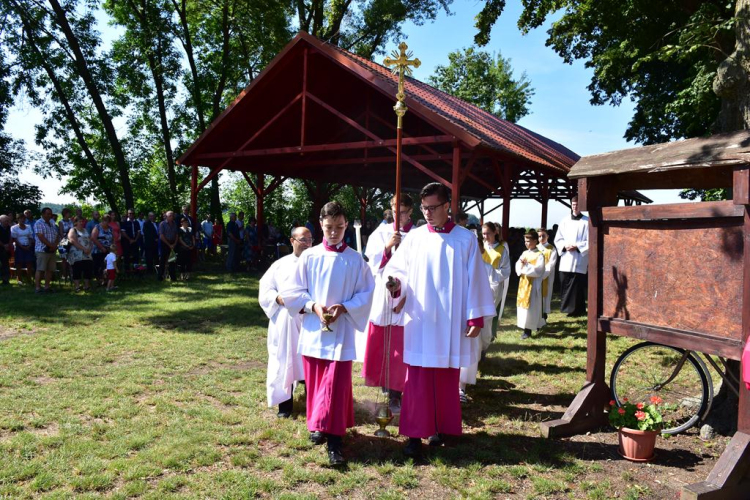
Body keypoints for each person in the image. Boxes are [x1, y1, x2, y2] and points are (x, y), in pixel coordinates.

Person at [383, 183, 495, 458]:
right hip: (421, 321)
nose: (428, 213)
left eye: (433, 208)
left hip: (450, 321)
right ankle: (413, 435)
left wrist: (476, 315)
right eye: (424, 208)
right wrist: (395, 285)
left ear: (448, 206)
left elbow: (476, 280)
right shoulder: (416, 237)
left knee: (446, 378)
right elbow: (397, 271)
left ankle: (442, 428)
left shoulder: (465, 239)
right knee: (418, 381)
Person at [281, 201, 375, 466]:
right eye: (329, 227)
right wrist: (314, 307)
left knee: (335, 384)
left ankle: (335, 442)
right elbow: (292, 292)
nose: (334, 232)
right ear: (320, 225)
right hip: (313, 329)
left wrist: (345, 307)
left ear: (346, 225)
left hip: (341, 332)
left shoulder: (356, 259)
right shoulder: (309, 257)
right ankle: (319, 425)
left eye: (340, 227)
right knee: (316, 384)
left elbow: (367, 294)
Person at [362, 195, 415, 415]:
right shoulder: (381, 232)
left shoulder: (417, 235)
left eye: (402, 212)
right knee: (383, 343)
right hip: (383, 296)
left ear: (411, 211)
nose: (398, 216)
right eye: (395, 211)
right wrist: (387, 247)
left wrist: (405, 296)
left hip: (407, 296)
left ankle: (397, 392)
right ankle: (385, 382)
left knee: (400, 349)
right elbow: (371, 263)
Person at [259, 226, 312, 418]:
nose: (307, 244)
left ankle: (313, 403)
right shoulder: (280, 265)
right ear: (292, 241)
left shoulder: (316, 263)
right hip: (285, 321)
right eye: (302, 240)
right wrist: (278, 299)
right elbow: (266, 288)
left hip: (309, 319)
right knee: (284, 360)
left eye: (310, 240)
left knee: (310, 360)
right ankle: (285, 405)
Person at [459, 222, 509, 402]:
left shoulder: (487, 266)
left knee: (474, 346)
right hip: (457, 313)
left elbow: (491, 286)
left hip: (477, 311)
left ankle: (461, 386)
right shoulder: (459, 265)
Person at [554, 196, 589, 317]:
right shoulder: (564, 221)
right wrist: (564, 246)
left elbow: (590, 240)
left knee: (578, 286)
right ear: (571, 205)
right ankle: (568, 309)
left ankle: (578, 310)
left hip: (579, 258)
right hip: (566, 258)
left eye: (577, 205)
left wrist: (578, 246)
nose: (575, 207)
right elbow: (558, 238)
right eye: (573, 205)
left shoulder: (587, 221)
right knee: (565, 283)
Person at [516, 230, 547, 339]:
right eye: (525, 241)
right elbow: (518, 265)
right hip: (524, 283)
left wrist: (526, 266)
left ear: (535, 241)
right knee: (523, 308)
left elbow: (539, 270)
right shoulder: (525, 253)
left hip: (533, 285)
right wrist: (521, 266)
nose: (526, 243)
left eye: (528, 241)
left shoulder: (539, 255)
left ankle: (528, 330)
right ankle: (524, 326)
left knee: (531, 308)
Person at [34, 207, 60, 294]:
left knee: (50, 270)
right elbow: (41, 237)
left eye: (51, 214)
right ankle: (38, 288)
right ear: (43, 214)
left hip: (52, 250)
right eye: (48, 213)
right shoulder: (38, 223)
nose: (50, 215)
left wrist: (55, 245)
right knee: (40, 269)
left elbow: (56, 235)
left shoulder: (52, 222)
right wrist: (51, 245)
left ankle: (47, 287)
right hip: (42, 250)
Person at [67, 216, 93, 292]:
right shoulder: (73, 230)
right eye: (80, 221)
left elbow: (90, 240)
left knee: (88, 268)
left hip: (87, 253)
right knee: (77, 269)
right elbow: (72, 240)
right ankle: (77, 286)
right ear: (75, 222)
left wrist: (90, 248)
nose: (81, 223)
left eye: (82, 221)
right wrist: (83, 249)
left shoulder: (85, 230)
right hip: (77, 253)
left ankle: (86, 286)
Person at [537, 228, 558, 321]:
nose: (541, 238)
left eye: (543, 236)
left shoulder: (552, 248)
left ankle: (544, 313)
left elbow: (551, 264)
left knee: (546, 294)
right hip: (535, 276)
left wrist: (543, 275)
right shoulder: (535, 247)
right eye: (539, 236)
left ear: (547, 236)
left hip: (547, 276)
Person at [11, 213, 34, 284]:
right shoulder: (14, 228)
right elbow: (15, 239)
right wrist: (22, 247)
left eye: (24, 218)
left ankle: (29, 278)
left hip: (28, 245)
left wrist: (29, 245)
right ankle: (19, 279)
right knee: (19, 263)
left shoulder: (28, 226)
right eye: (20, 218)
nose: (22, 220)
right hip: (19, 246)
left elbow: (30, 237)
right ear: (17, 219)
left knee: (29, 262)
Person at [91, 215, 114, 286]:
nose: (106, 223)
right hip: (97, 250)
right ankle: (99, 280)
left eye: (108, 221)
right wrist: (101, 247)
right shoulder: (97, 227)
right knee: (98, 266)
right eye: (105, 221)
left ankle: (105, 280)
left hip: (108, 250)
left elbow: (112, 239)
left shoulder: (110, 228)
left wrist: (113, 249)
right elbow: (93, 238)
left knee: (106, 266)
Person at [158, 211, 178, 281]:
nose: (171, 217)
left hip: (172, 243)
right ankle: (160, 277)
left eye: (172, 215)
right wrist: (169, 244)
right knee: (162, 261)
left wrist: (174, 244)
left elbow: (176, 235)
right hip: (165, 243)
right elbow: (161, 236)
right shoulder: (162, 224)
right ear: (166, 216)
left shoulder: (175, 224)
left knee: (172, 261)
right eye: (170, 215)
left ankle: (173, 277)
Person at [121, 209, 141, 273]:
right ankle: (127, 271)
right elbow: (123, 232)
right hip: (127, 242)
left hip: (135, 241)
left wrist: (135, 240)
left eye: (132, 213)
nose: (131, 215)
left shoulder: (136, 222)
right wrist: (130, 239)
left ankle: (136, 270)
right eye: (130, 213)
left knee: (136, 256)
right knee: (127, 256)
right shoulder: (124, 222)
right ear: (127, 214)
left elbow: (138, 232)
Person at [58, 208, 74, 281]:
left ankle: (71, 274)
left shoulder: (71, 221)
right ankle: (64, 275)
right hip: (63, 241)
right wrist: (65, 240)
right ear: (65, 214)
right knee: (63, 259)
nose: (69, 214)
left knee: (71, 258)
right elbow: (61, 232)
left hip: (71, 240)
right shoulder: (61, 222)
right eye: (68, 213)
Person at [0, 215, 10, 285]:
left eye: (8, 221)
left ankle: (5, 280)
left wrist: (8, 245)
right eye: (6, 221)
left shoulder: (9, 228)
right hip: (1, 247)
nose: (7, 222)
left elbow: (11, 237)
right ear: (1, 221)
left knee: (5, 264)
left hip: (5, 249)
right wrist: (3, 245)